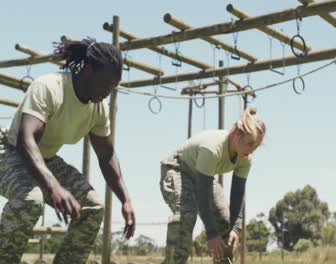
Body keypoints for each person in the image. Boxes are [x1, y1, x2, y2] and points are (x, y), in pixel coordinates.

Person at [0, 39, 136, 264]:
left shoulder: (98, 109)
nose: (107, 93)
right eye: (105, 84)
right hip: (9, 150)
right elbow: (26, 140)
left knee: (92, 205)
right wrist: (52, 186)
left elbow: (107, 155)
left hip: (44, 159)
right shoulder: (49, 87)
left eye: (112, 88)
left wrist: (125, 199)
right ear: (89, 70)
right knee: (30, 198)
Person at [160, 106, 265, 264]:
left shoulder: (245, 159)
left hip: (203, 176)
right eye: (250, 144)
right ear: (237, 134)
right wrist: (211, 233)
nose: (252, 151)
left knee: (224, 221)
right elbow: (203, 194)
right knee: (186, 213)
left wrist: (236, 228)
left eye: (256, 146)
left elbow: (237, 193)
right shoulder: (212, 149)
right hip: (178, 169)